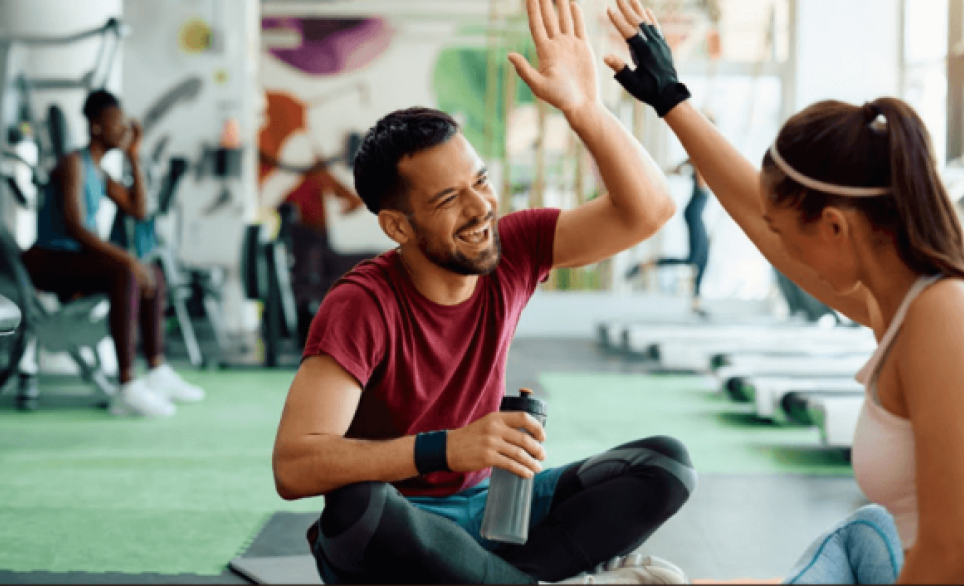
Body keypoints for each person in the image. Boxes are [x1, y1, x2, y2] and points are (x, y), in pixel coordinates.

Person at [271, 0, 699, 583]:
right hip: (402, 525)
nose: (480, 209)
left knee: (664, 464)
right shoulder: (362, 303)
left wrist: (585, 108)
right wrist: (445, 449)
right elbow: (295, 465)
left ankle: (501, 578)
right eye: (449, 200)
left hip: (489, 514)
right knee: (356, 507)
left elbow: (649, 211)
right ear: (398, 227)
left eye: (480, 181)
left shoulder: (513, 249)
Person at [601, 0, 964, 582]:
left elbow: (959, 557)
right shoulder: (907, 303)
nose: (779, 251)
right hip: (895, 556)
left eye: (786, 232)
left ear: (835, 226)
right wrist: (673, 102)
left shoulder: (951, 316)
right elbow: (763, 214)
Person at [22, 89, 205, 418]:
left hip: (75, 261)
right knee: (125, 271)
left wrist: (133, 155)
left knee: (153, 273)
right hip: (48, 262)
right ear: (95, 126)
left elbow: (140, 210)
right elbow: (76, 227)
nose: (123, 128)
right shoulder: (73, 165)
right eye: (116, 122)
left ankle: (156, 369)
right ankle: (126, 385)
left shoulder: (101, 172)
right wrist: (127, 260)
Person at [627, 164, 711, 314]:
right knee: (695, 260)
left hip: (694, 215)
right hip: (694, 215)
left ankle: (696, 303)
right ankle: (645, 264)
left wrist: (680, 169)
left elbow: (682, 167)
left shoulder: (700, 166)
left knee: (701, 259)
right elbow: (694, 163)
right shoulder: (702, 167)